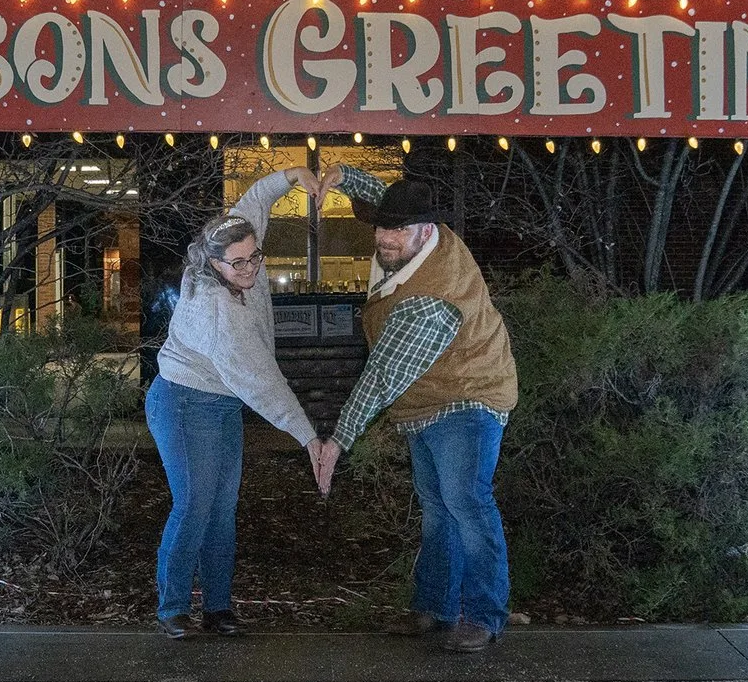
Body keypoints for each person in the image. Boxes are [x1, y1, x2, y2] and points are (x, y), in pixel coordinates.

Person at [315, 166, 520, 654]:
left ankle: (484, 615)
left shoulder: (431, 297)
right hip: (424, 401)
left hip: (468, 395)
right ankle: (434, 608)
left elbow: (381, 375)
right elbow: (383, 195)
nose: (386, 239)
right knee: (436, 509)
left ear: (427, 231)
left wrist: (337, 441)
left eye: (398, 231)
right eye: (383, 228)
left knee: (467, 503)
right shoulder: (417, 233)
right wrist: (341, 176)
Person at [145, 164, 336, 639]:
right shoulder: (217, 311)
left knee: (222, 507)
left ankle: (218, 607)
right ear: (213, 264)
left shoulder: (234, 242)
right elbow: (263, 382)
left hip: (221, 402)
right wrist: (308, 437)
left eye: (255, 258)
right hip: (185, 402)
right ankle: (171, 609)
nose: (251, 269)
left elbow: (252, 203)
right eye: (240, 264)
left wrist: (292, 176)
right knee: (194, 504)